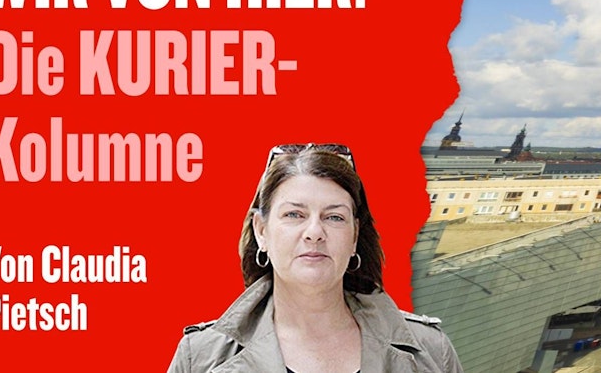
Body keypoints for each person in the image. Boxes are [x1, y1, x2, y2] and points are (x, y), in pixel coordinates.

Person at [169, 144, 462, 372]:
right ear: (261, 231)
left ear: (354, 237)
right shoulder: (200, 357)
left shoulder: (432, 352)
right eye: (294, 214)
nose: (314, 232)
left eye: (334, 217)